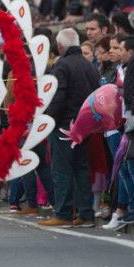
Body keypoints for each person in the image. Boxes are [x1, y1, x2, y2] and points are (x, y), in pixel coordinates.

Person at [43, 27, 100, 227]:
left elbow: (58, 97)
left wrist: (48, 121)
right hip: (84, 125)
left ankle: (63, 213)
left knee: (62, 169)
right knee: (81, 168)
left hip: (64, 124)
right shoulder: (90, 66)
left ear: (60, 46)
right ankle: (86, 214)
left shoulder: (62, 66)